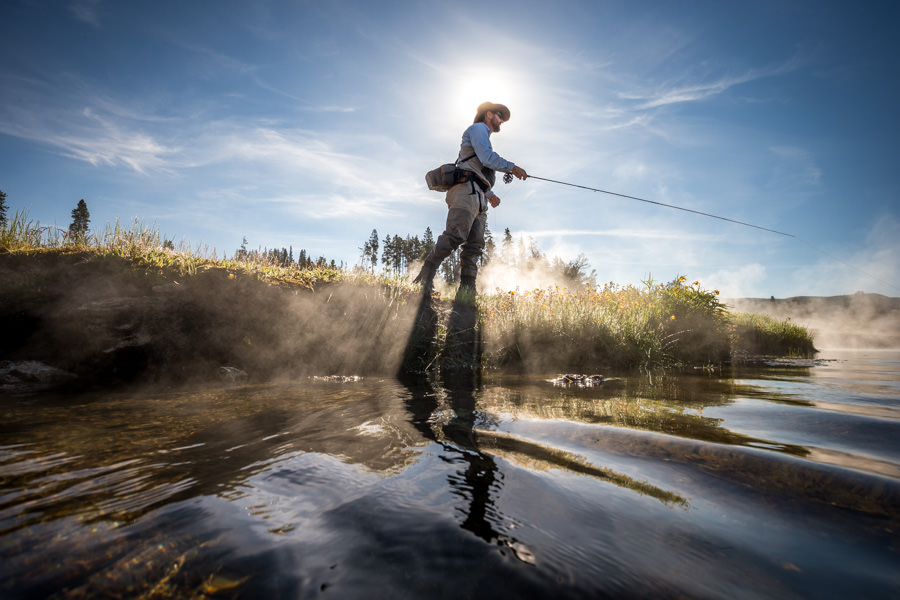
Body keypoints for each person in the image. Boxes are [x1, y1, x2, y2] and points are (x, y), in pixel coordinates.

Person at [413, 101, 527, 293]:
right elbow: (486, 158)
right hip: (465, 192)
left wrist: (489, 194)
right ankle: (426, 276)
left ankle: (467, 291)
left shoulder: (482, 135)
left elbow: (476, 169)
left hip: (478, 196)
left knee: (475, 245)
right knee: (455, 235)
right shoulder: (478, 129)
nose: (501, 120)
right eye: (500, 116)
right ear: (489, 114)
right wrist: (512, 167)